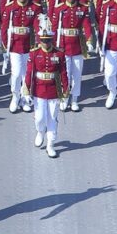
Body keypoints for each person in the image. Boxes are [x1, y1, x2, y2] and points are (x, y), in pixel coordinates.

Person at [25, 15, 69, 158]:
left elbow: (63, 72)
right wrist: (26, 89)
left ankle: (50, 144)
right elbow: (29, 72)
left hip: (53, 90)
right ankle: (39, 131)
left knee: (52, 117)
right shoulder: (34, 53)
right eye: (43, 41)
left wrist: (65, 88)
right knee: (39, 118)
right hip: (39, 90)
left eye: (48, 40)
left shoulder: (59, 53)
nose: (45, 43)